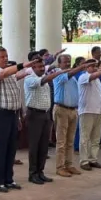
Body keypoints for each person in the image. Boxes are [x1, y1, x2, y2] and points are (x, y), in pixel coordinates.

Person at [0, 47, 43, 192]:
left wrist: (31, 67)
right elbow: (3, 74)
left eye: (6, 56)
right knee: (0, 149)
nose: (5, 59)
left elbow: (18, 76)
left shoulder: (10, 73)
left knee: (11, 149)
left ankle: (8, 179)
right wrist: (23, 65)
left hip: (12, 115)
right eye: (2, 57)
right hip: (0, 115)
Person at [23, 51, 65, 185]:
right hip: (34, 114)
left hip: (45, 114)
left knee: (43, 146)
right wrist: (58, 73)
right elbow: (42, 80)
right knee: (34, 146)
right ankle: (32, 173)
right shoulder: (30, 79)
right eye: (39, 67)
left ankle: (40, 172)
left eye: (43, 66)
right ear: (33, 67)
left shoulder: (44, 78)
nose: (42, 69)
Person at [51, 56, 88, 177]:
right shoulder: (57, 74)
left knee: (70, 141)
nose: (67, 64)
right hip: (61, 109)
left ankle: (69, 165)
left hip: (72, 110)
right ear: (59, 64)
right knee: (61, 141)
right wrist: (80, 68)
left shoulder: (72, 77)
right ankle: (60, 167)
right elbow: (68, 74)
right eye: (65, 62)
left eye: (69, 62)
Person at [78, 59, 101, 170]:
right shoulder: (83, 76)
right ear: (86, 67)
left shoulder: (97, 79)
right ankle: (84, 161)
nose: (94, 68)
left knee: (96, 138)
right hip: (87, 111)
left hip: (99, 111)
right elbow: (93, 76)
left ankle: (93, 159)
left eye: (95, 66)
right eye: (92, 66)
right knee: (85, 138)